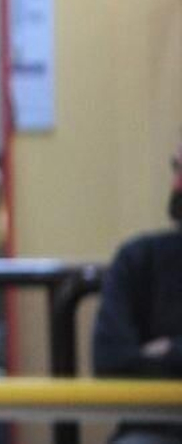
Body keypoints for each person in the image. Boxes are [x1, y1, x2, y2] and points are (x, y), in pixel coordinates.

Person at [92, 142, 182, 444]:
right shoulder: (139, 259)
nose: (177, 183)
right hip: (153, 429)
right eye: (176, 168)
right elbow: (110, 358)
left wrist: (167, 350)